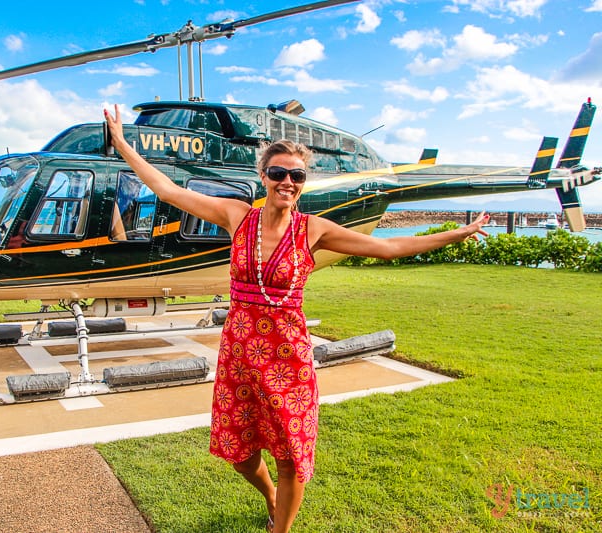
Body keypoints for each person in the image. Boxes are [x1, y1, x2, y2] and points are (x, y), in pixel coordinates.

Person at [103, 105, 489, 533]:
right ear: (263, 177)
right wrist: (122, 144)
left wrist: (459, 232)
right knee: (240, 452)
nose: (287, 181)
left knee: (288, 455)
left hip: (288, 357)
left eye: (297, 176)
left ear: (304, 184)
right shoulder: (237, 216)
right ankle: (268, 496)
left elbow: (391, 248)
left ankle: (280, 528)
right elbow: (169, 190)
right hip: (240, 352)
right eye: (278, 173)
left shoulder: (314, 230)